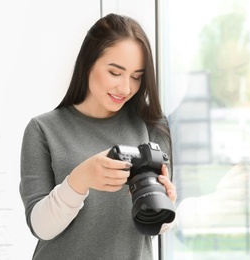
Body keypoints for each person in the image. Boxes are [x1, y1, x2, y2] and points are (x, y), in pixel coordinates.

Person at [19, 13, 177, 260]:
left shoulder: (152, 126)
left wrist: (167, 204)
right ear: (88, 63)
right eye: (115, 73)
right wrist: (79, 180)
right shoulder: (43, 129)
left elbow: (156, 227)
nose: (126, 88)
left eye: (136, 77)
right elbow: (41, 228)